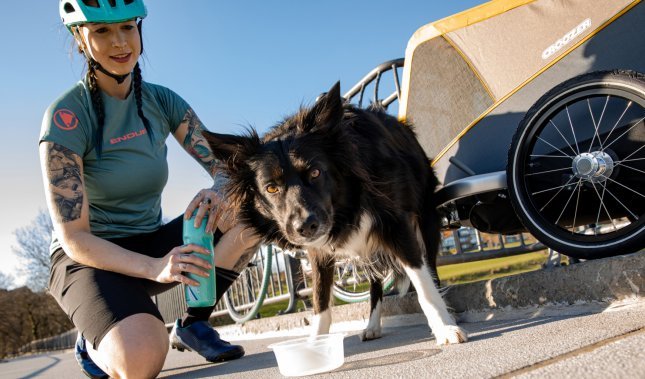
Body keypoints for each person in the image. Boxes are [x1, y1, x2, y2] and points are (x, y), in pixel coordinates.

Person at [39, 1, 260, 378]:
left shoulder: (162, 100)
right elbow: (74, 237)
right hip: (90, 259)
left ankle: (194, 324)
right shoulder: (66, 116)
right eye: (102, 32)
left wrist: (221, 189)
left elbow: (228, 168)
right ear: (80, 39)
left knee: (253, 206)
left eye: (127, 27)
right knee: (141, 359)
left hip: (149, 242)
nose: (120, 42)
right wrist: (155, 268)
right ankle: (96, 343)